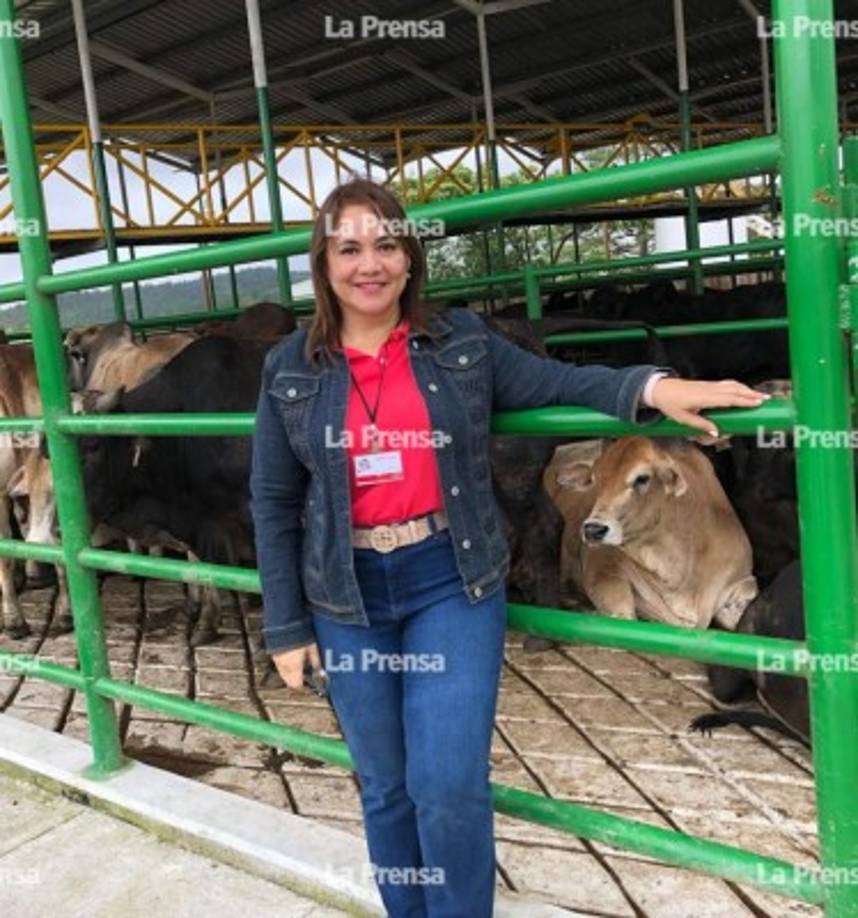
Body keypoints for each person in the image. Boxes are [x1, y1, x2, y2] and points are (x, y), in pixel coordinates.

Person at [249, 178, 769, 918]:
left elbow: (562, 377)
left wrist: (656, 388)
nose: (371, 264)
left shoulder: (459, 342)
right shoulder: (290, 369)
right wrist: (286, 625)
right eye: (350, 247)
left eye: (387, 245)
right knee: (387, 784)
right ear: (324, 262)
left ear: (410, 257)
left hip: (447, 579)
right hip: (346, 591)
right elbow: (271, 500)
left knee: (448, 784)